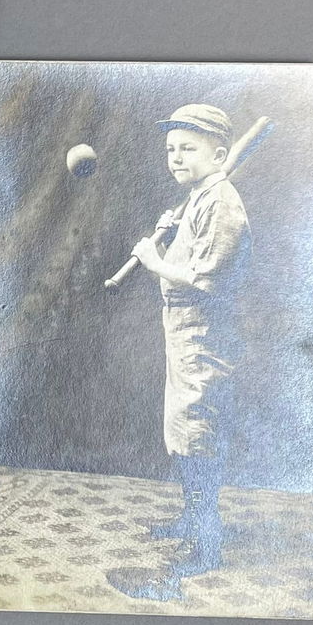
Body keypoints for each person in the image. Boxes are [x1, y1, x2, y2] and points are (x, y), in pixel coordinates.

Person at [128, 104, 251, 578]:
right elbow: (197, 252)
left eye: (189, 148)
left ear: (219, 154)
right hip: (182, 328)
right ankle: (191, 518)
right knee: (180, 427)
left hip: (204, 329)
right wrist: (172, 233)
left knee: (196, 429)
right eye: (171, 149)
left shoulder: (222, 201)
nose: (176, 157)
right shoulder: (203, 196)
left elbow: (208, 280)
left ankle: (207, 541)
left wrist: (154, 258)